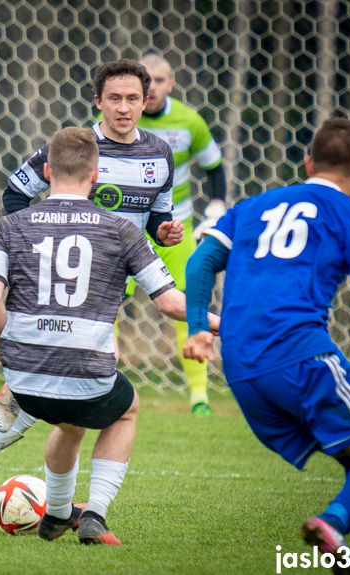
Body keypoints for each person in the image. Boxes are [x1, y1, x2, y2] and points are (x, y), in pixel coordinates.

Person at [0, 59, 182, 512]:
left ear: (146, 102)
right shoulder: (75, 148)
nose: (123, 108)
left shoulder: (159, 154)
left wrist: (163, 231)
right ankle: (60, 507)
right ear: (97, 101)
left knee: (68, 403)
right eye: (114, 99)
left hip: (112, 283)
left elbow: (157, 216)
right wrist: (29, 249)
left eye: (132, 99)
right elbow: (14, 195)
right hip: (62, 280)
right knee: (74, 393)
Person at [183, 118, 350, 574]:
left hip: (240, 368)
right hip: (298, 355)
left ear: (308, 162)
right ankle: (334, 522)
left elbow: (199, 265)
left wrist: (198, 327)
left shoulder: (253, 206)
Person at [0, 126, 219, 545]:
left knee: (68, 422)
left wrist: (9, 351)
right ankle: (95, 514)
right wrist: (227, 325)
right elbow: (172, 303)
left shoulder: (7, 227)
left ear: (46, 170)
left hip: (23, 380)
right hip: (87, 374)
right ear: (96, 175)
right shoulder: (122, 230)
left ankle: (57, 515)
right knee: (126, 408)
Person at [131, 53, 227, 416]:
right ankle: (97, 382)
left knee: (190, 305)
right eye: (146, 80)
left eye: (158, 80)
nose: (151, 87)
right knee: (105, 307)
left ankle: (199, 395)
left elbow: (214, 167)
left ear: (170, 84)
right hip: (122, 228)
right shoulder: (116, 120)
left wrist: (217, 204)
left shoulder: (190, 121)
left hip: (177, 228)